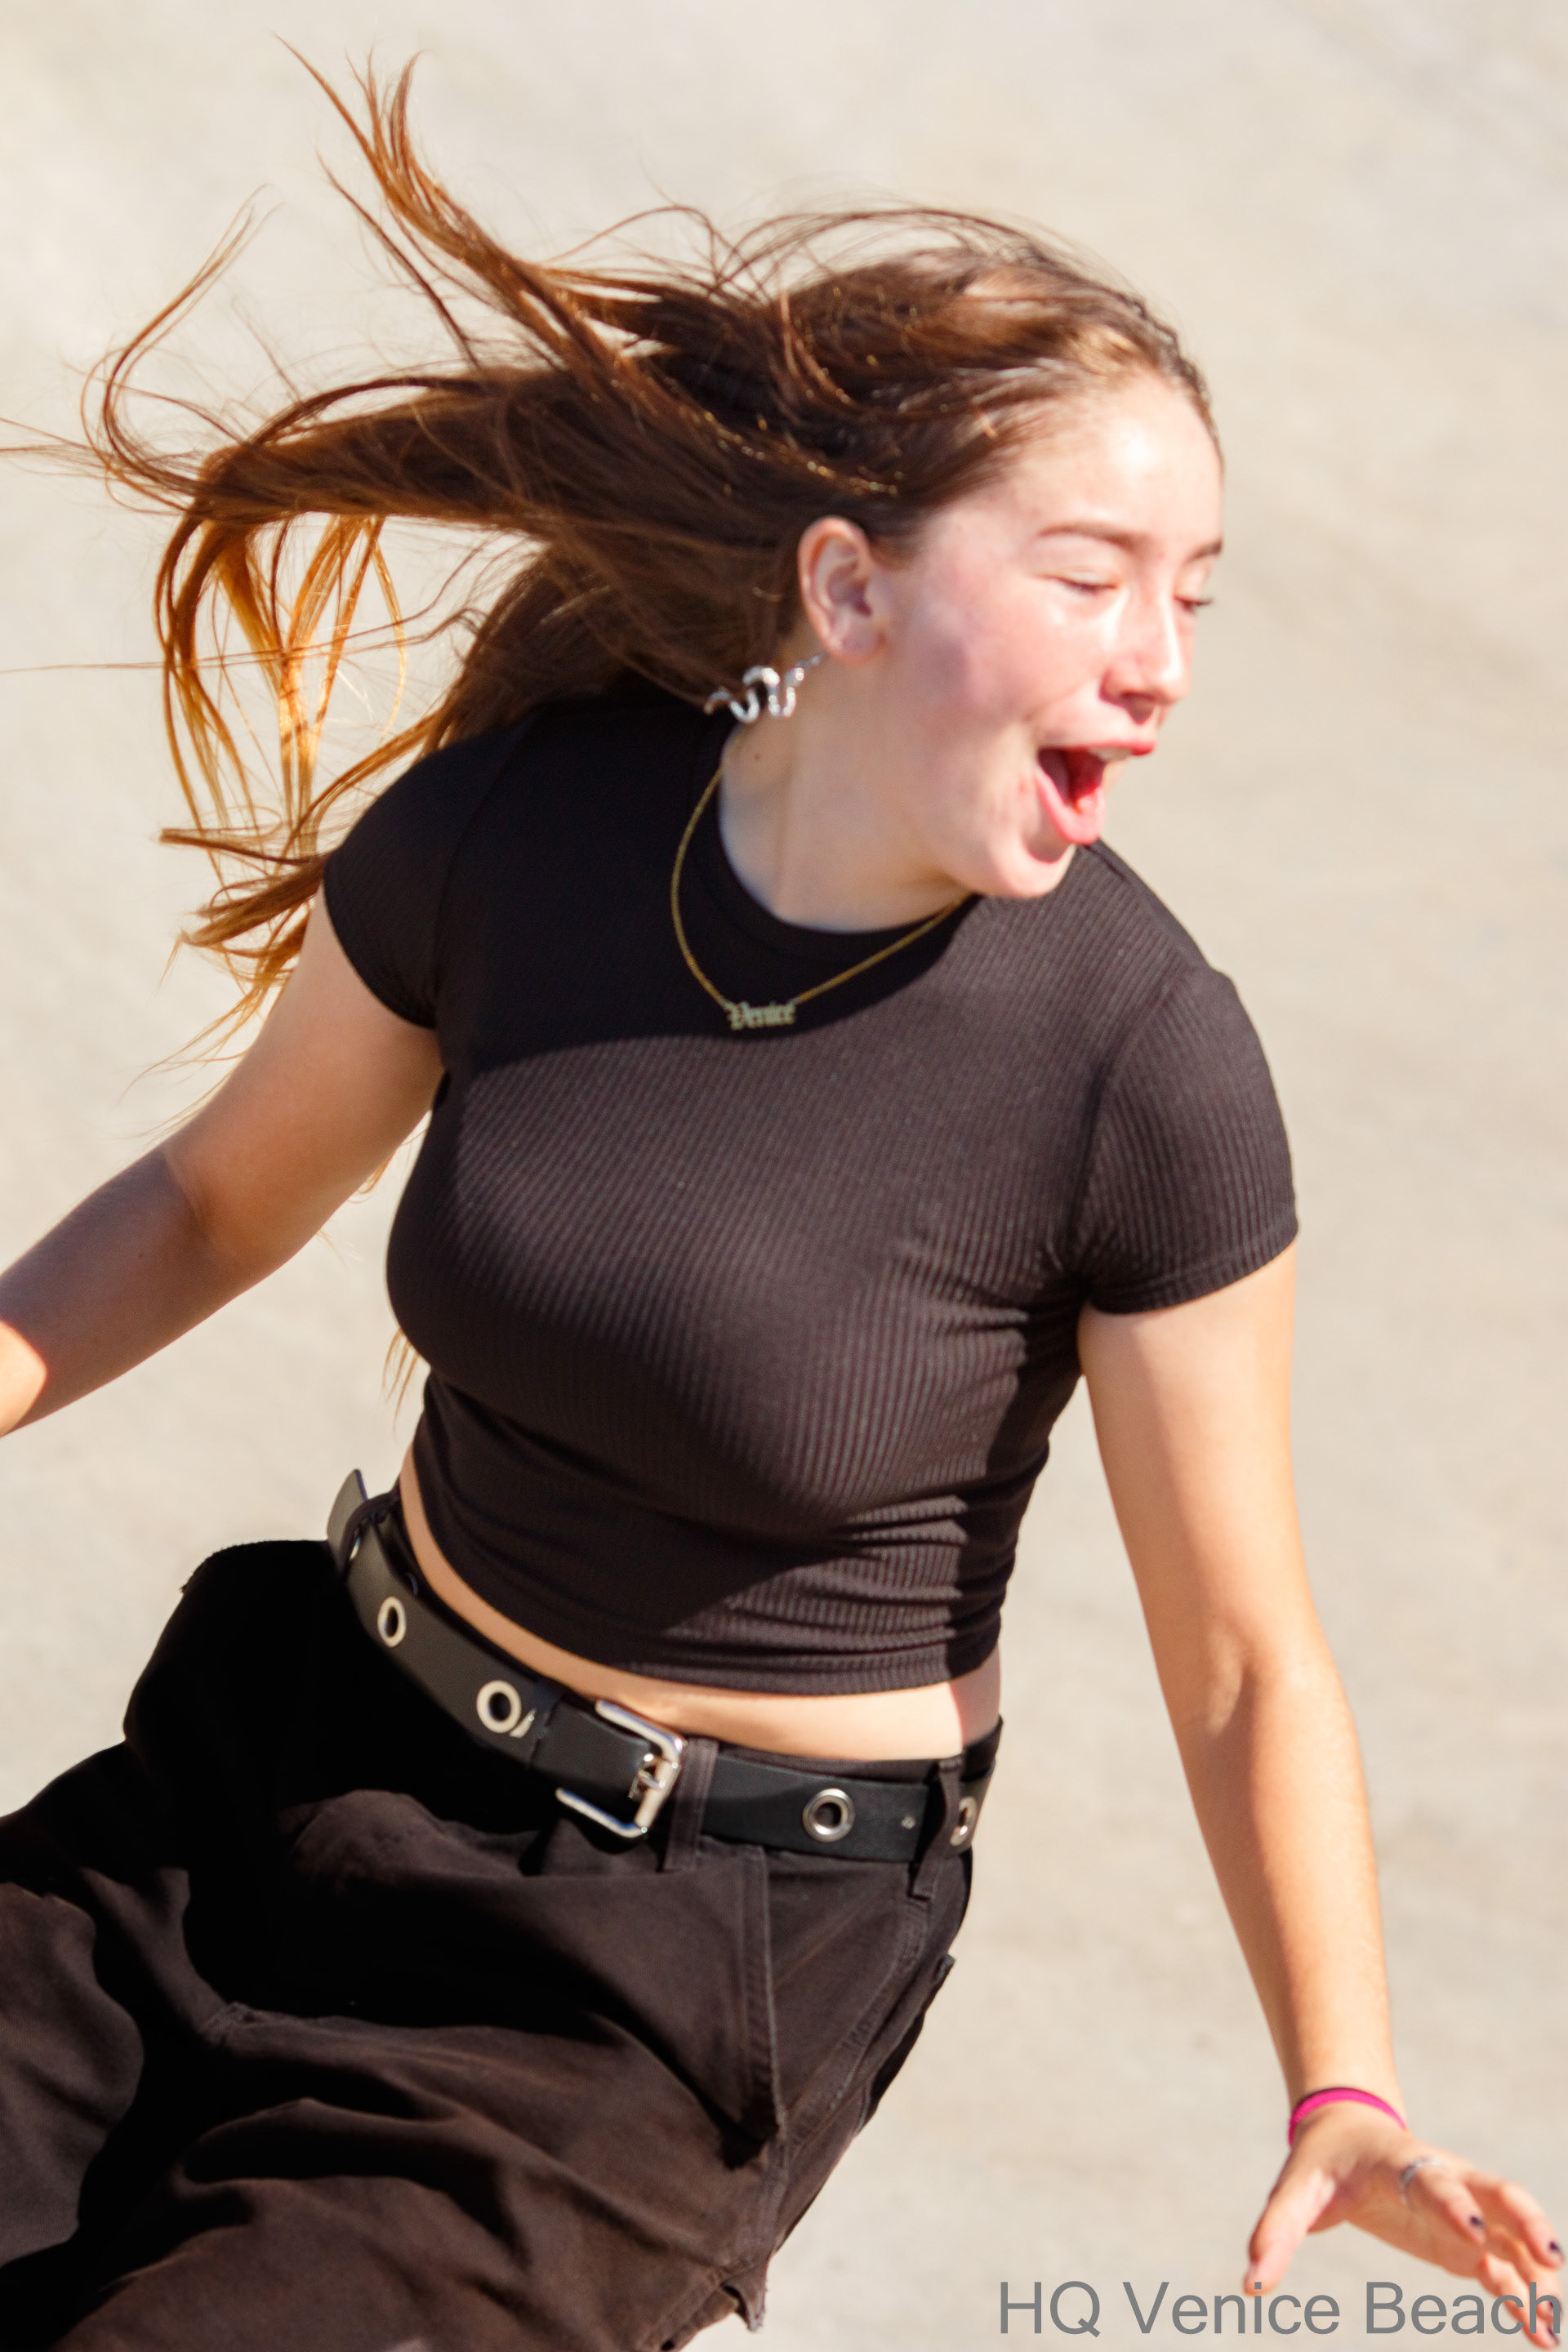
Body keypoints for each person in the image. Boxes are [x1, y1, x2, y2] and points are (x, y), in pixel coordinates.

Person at [0, 65, 1558, 2352]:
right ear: (846, 588)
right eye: (1089, 578)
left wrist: (1343, 2079)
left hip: (647, 1985)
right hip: (292, 1759)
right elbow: (215, 1205)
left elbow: (1244, 1660)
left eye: (1194, 595)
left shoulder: (1139, 1062)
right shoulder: (522, 836)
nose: (1163, 664)